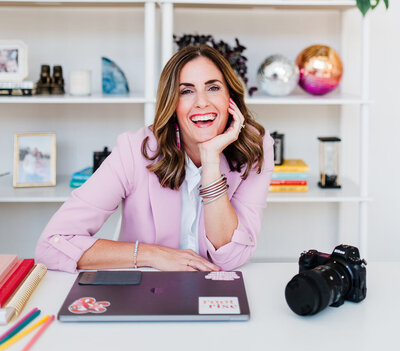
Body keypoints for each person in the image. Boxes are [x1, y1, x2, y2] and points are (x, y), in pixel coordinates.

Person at [35, 45, 274, 273]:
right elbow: (52, 244)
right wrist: (153, 255)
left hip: (216, 286)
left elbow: (230, 257)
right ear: (172, 103)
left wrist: (210, 160)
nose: (202, 102)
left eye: (213, 88)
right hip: (145, 287)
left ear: (230, 97)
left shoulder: (255, 148)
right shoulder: (135, 150)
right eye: (186, 91)